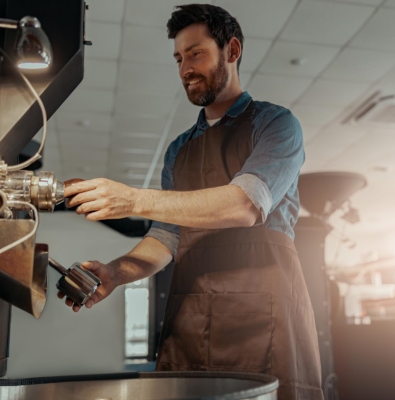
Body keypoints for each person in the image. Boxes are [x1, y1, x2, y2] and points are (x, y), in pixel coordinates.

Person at [62, 4, 323, 399]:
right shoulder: (178, 151)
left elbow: (243, 206)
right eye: (179, 58)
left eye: (196, 53)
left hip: (263, 325)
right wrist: (116, 272)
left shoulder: (276, 125)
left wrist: (133, 199)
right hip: (191, 323)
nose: (185, 68)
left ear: (232, 51)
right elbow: (167, 239)